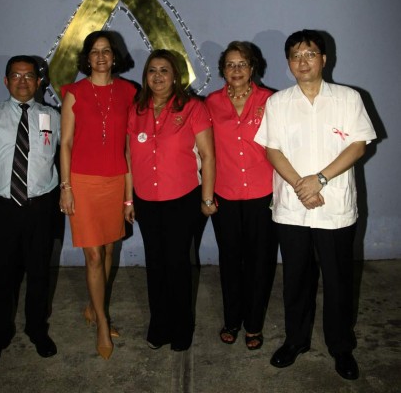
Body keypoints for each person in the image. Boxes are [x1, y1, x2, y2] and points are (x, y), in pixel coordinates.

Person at [255, 29, 377, 380]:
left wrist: (319, 179)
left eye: (309, 54)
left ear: (324, 59)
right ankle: (296, 340)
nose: (302, 61)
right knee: (296, 278)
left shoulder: (348, 98)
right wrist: (301, 185)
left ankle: (341, 346)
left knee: (338, 280)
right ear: (288, 63)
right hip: (292, 207)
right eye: (295, 56)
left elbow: (358, 145)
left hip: (334, 206)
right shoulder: (278, 102)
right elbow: (272, 149)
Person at [0, 55, 60, 368]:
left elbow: (69, 154)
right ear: (5, 81)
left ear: (39, 82)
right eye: (16, 76)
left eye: (29, 75)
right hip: (0, 211)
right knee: (2, 277)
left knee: (39, 275)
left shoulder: (52, 117)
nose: (22, 81)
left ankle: (37, 330)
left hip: (40, 209)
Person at [124, 49, 216, 351]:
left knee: (177, 264)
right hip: (146, 200)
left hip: (183, 199)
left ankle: (181, 329)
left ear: (175, 75)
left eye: (164, 70)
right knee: (155, 264)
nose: (158, 76)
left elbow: (208, 156)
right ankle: (159, 326)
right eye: (152, 70)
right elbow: (128, 157)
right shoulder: (136, 110)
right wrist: (128, 200)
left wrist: (206, 199)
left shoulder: (193, 108)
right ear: (145, 76)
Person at [59, 31, 137, 360]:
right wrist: (66, 187)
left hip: (115, 181)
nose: (101, 56)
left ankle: (93, 307)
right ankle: (102, 322)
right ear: (87, 58)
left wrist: (129, 197)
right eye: (95, 51)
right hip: (82, 182)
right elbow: (65, 143)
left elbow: (129, 149)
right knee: (93, 255)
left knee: (107, 250)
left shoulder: (129, 92)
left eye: (107, 51)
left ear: (115, 56)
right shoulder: (74, 93)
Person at [205, 41, 277, 350]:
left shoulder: (270, 100)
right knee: (231, 260)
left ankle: (254, 324)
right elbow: (204, 151)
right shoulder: (211, 103)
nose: (236, 70)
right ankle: (232, 319)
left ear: (252, 68)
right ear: (223, 69)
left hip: (263, 193)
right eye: (230, 64)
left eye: (242, 64)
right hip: (226, 193)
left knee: (260, 261)